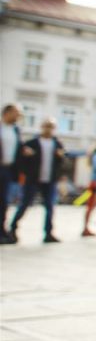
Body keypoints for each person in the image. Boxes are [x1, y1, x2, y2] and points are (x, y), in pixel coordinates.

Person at [9, 118, 67, 243]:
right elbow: (21, 161)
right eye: (46, 126)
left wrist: (60, 158)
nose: (48, 129)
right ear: (41, 127)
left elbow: (62, 163)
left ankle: (48, 233)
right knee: (24, 204)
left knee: (50, 207)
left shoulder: (57, 144)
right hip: (33, 179)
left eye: (51, 127)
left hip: (50, 180)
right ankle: (12, 228)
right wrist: (26, 171)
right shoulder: (32, 143)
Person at [0, 104, 23, 244]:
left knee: (4, 202)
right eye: (16, 113)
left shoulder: (16, 130)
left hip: (8, 170)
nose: (18, 116)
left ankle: (2, 230)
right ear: (7, 113)